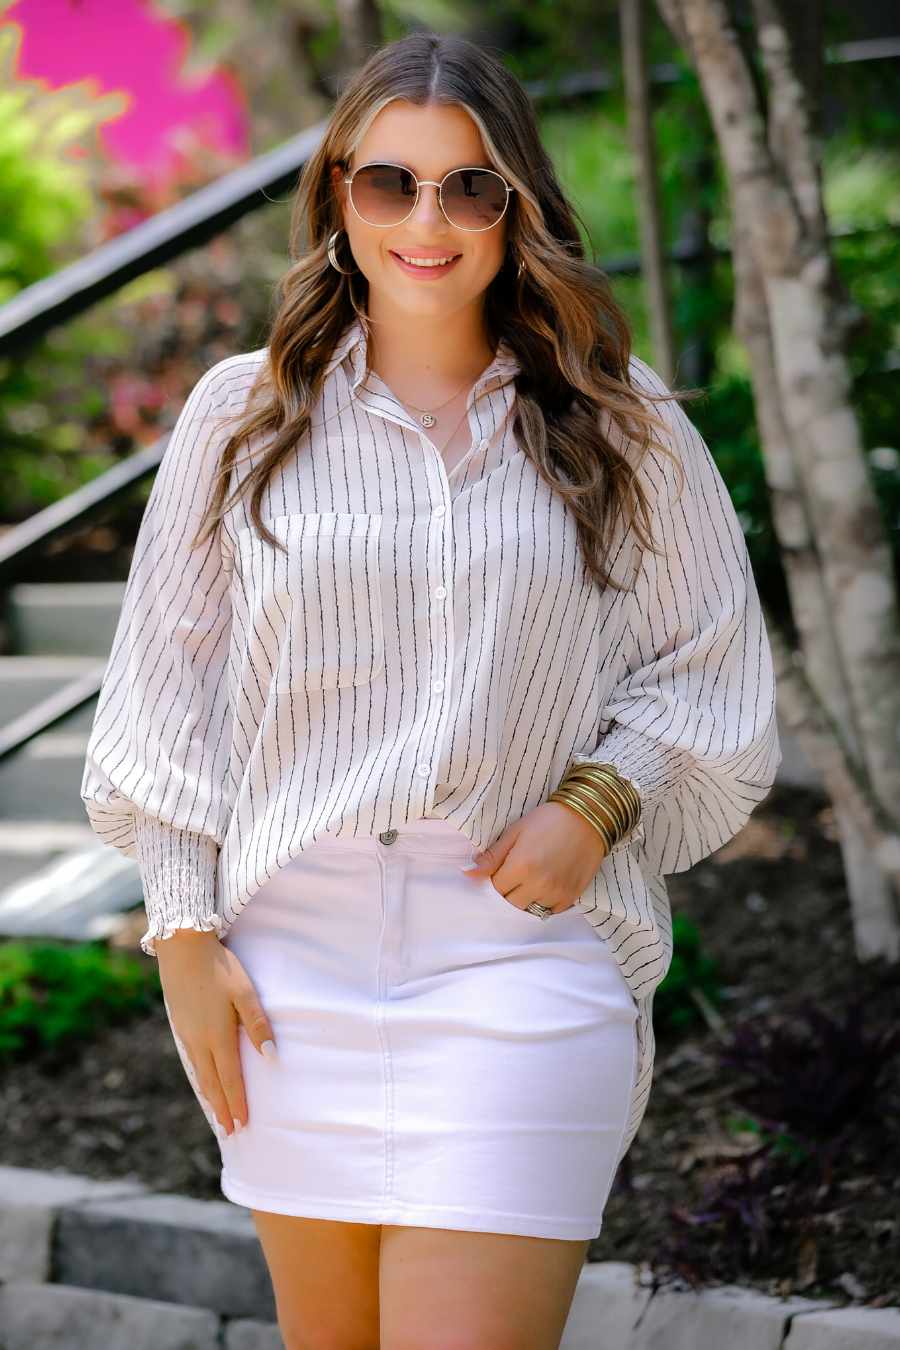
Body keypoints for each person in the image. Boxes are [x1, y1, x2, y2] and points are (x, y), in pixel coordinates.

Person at [82, 31, 778, 1350]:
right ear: (337, 194)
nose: (427, 219)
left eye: (471, 188)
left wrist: (600, 797)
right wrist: (181, 934)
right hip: (288, 977)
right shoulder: (243, 415)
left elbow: (714, 673)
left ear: (521, 208)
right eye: (388, 182)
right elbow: (165, 699)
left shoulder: (623, 423)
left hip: (516, 970)